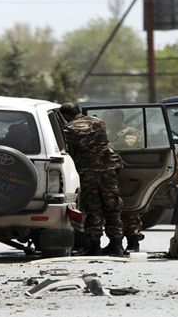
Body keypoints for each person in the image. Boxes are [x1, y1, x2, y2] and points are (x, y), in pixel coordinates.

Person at [61, 102, 124, 257]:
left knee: (93, 209)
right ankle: (116, 246)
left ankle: (94, 246)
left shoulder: (68, 129)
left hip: (88, 172)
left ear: (66, 116)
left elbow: (70, 152)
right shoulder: (98, 122)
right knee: (113, 208)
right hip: (108, 170)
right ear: (80, 111)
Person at [104, 109, 145, 253]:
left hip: (129, 174)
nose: (106, 121)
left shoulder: (131, 132)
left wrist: (101, 147)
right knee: (114, 210)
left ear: (119, 117)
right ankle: (115, 242)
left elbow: (125, 146)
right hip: (112, 175)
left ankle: (133, 242)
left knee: (129, 210)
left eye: (109, 117)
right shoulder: (110, 134)